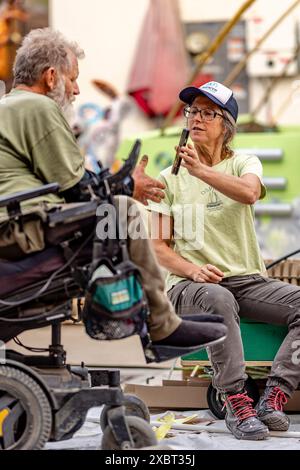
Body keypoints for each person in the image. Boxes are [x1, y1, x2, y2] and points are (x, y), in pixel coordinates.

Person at [0, 29, 227, 352]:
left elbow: (69, 182)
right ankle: (161, 326)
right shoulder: (38, 108)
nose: (77, 90)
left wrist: (118, 182)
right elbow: (77, 191)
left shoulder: (10, 106)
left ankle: (151, 318)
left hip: (16, 221)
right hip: (23, 228)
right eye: (73, 78)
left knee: (116, 205)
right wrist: (127, 186)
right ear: (51, 77)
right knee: (123, 209)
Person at [149, 80, 300, 440]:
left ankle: (274, 395)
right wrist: (192, 270)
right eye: (192, 111)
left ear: (226, 124)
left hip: (245, 279)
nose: (196, 118)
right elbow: (156, 246)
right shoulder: (168, 179)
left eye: (207, 112)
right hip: (189, 285)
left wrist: (202, 171)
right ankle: (234, 397)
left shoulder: (244, 162)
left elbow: (249, 193)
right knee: (219, 297)